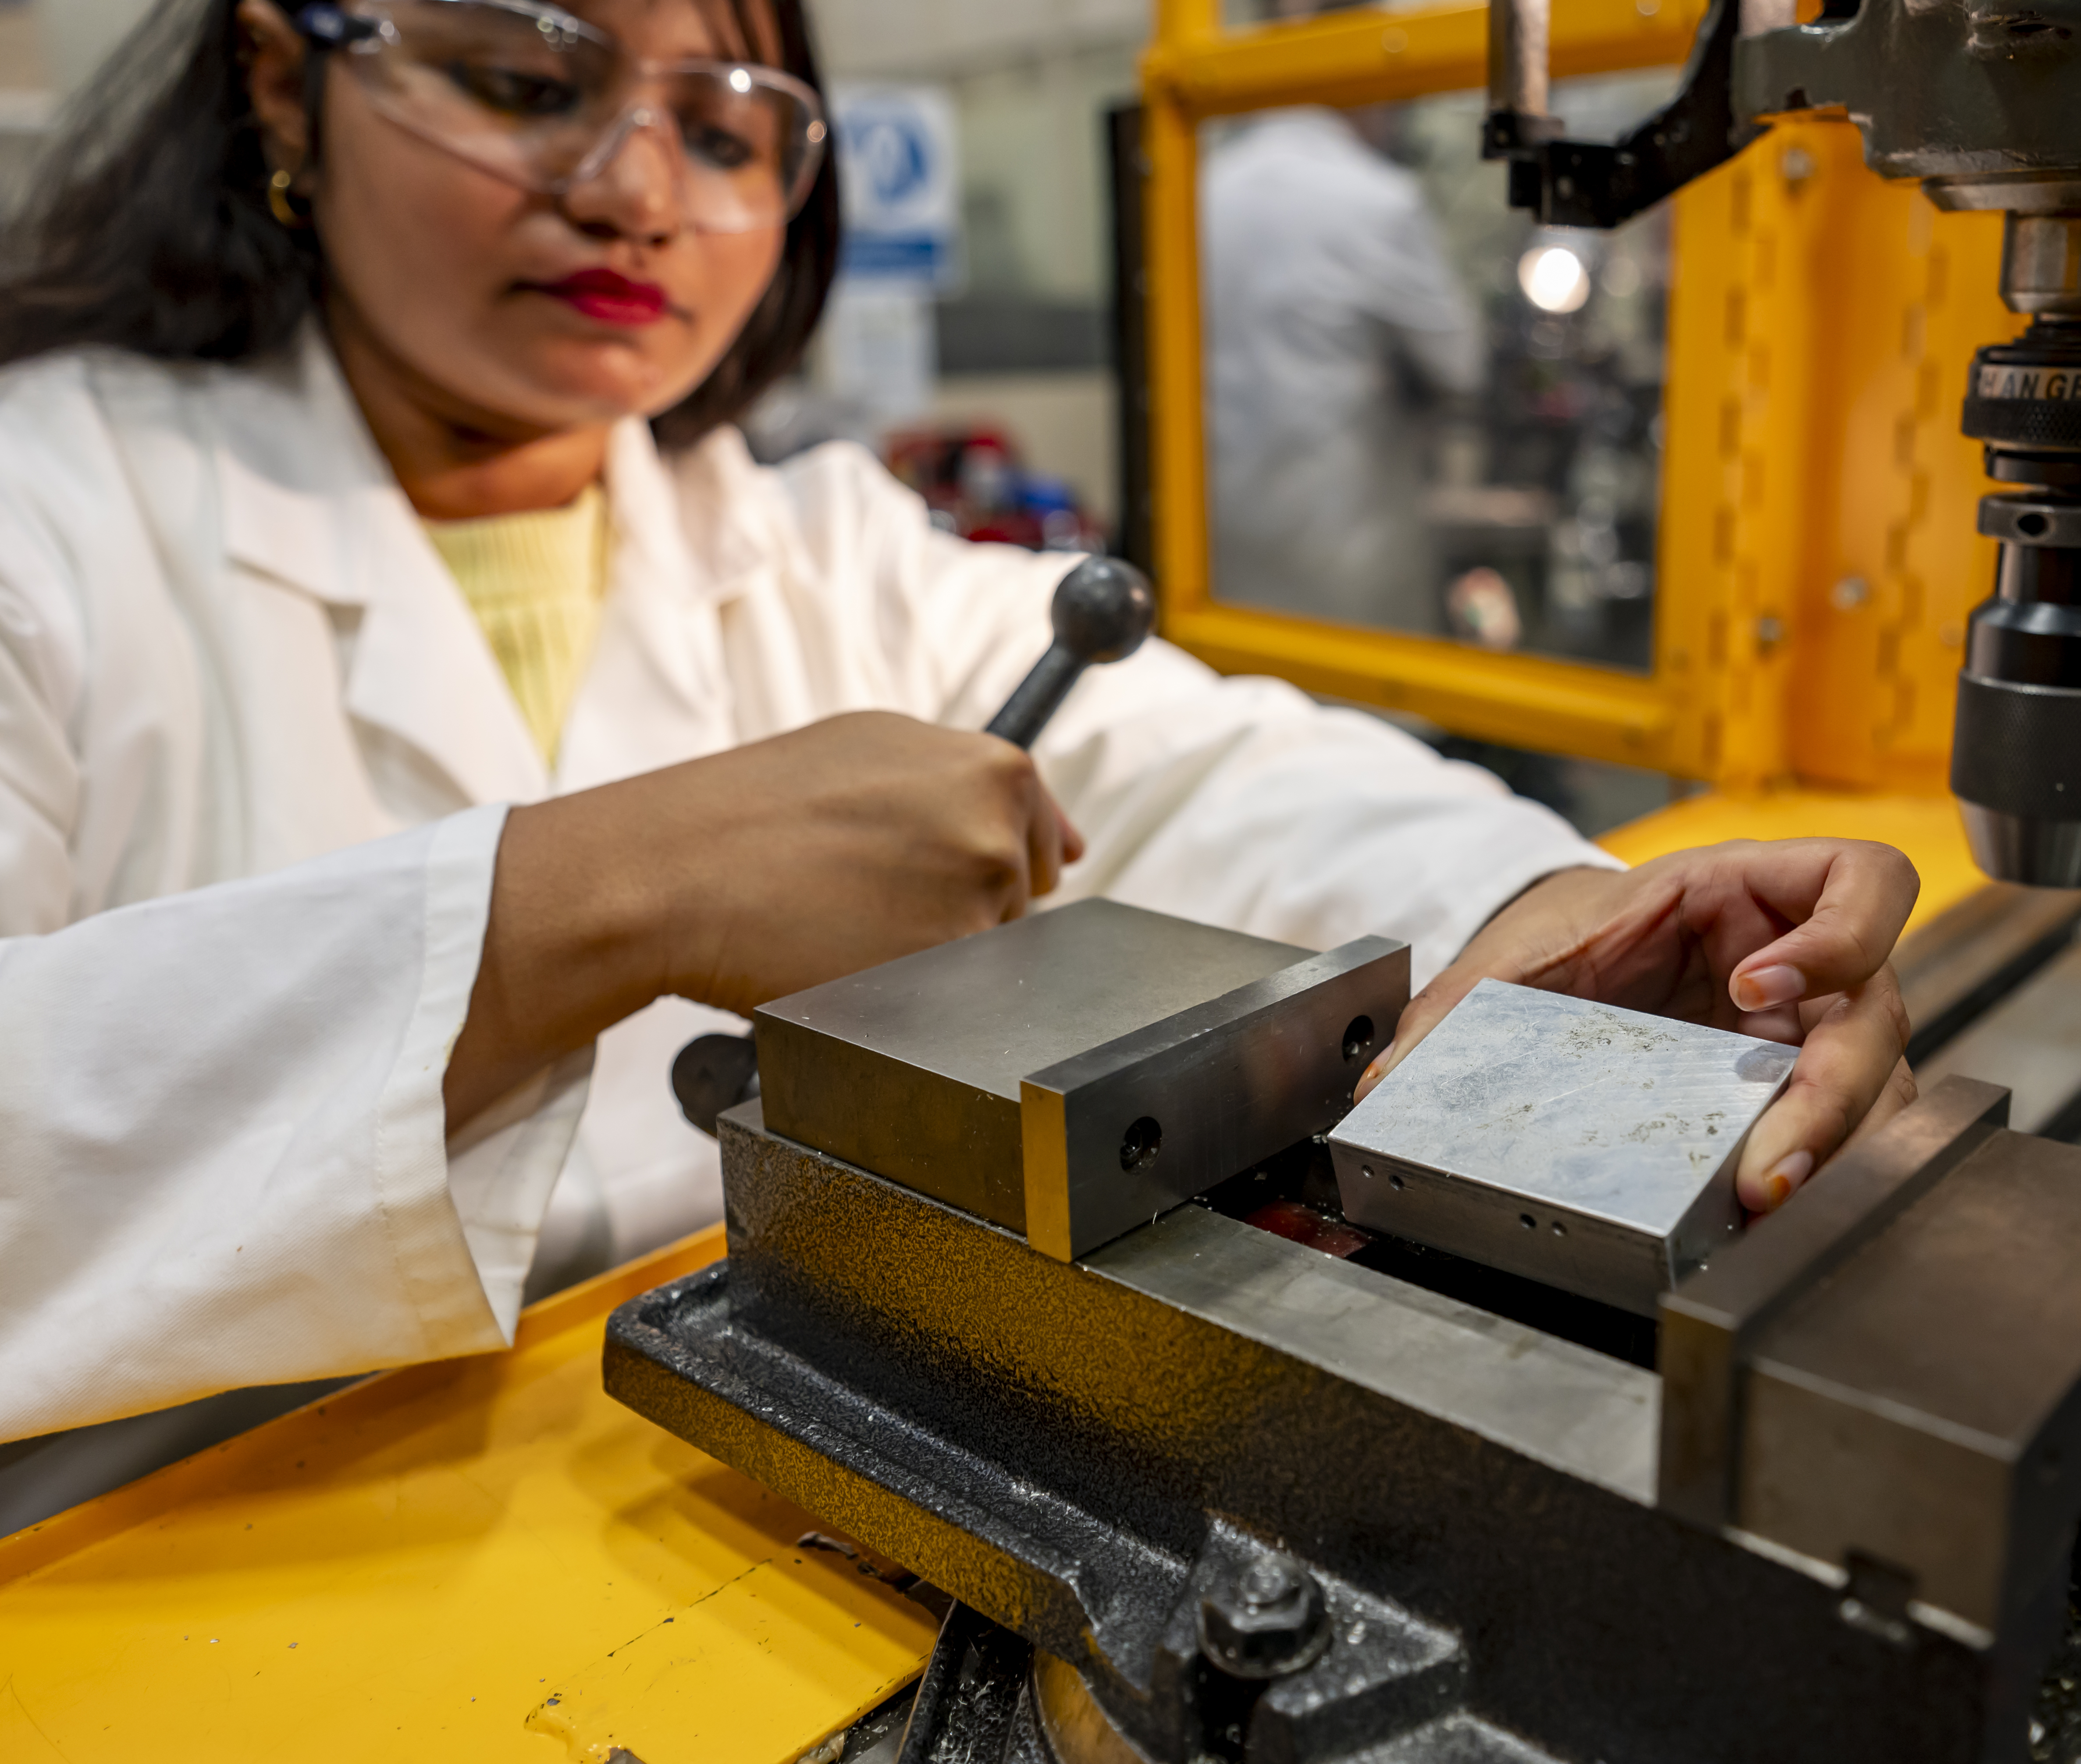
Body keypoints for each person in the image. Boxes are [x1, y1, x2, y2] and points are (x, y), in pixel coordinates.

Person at [0, 0, 1920, 1463]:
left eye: (730, 124)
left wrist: (1571, 921)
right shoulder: (50, 518)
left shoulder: (811, 546)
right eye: (528, 76)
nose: (637, 191)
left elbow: (1209, 771)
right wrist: (572, 899)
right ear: (279, 83)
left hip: (727, 1484)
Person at [1202, 98, 1478, 635]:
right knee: (1356, 712)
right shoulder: (1379, 200)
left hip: (1220, 542)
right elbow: (1460, 364)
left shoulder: (1204, 188)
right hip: (1343, 543)